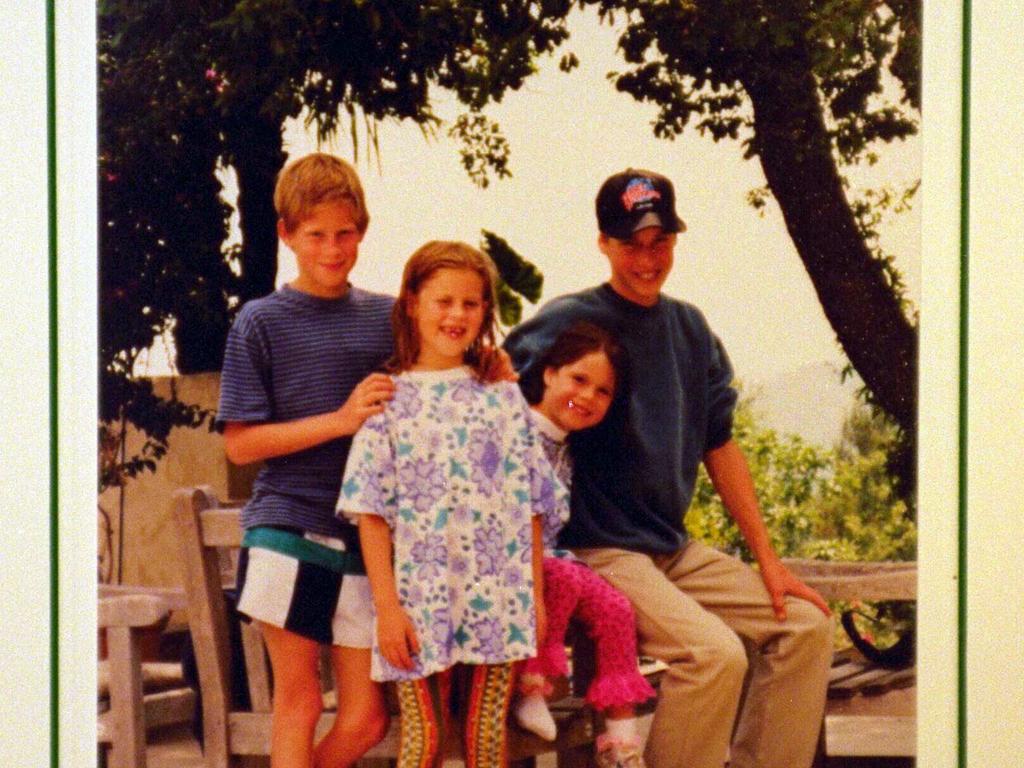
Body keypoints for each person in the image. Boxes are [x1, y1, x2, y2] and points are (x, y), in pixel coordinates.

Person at [503, 169, 834, 768]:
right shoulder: (569, 319)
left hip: (672, 548)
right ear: (604, 242)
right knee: (713, 656)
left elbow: (721, 445)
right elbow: (492, 389)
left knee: (806, 626)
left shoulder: (690, 328)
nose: (647, 258)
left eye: (660, 242)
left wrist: (769, 562)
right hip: (599, 549)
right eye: (631, 243)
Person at [337, 241, 564, 768]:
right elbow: (371, 514)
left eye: (471, 303)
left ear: (485, 312)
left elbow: (530, 506)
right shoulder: (386, 402)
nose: (457, 315)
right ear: (413, 303)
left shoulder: (504, 399)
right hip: (419, 599)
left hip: (500, 595)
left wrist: (534, 596)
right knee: (424, 745)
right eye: (444, 301)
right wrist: (388, 610)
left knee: (487, 742)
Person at [217, 153, 396, 768]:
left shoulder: (387, 317)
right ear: (287, 234)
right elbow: (240, 444)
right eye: (315, 234)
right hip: (287, 527)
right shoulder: (259, 321)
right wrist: (342, 421)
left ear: (362, 231)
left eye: (344, 233)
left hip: (366, 539)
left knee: (367, 720)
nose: (332, 248)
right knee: (298, 702)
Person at [513, 321, 656, 768]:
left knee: (616, 609)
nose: (589, 397)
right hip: (514, 562)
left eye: (603, 392)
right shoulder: (512, 429)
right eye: (579, 379)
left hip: (554, 557)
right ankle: (532, 686)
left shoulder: (568, 446)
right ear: (549, 372)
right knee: (566, 577)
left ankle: (621, 742)